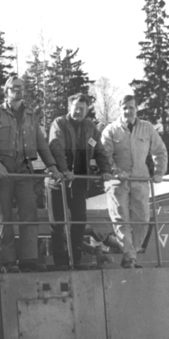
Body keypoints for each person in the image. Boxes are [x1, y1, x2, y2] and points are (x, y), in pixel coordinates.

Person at [0, 75, 62, 273]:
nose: (18, 90)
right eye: (13, 87)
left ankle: (28, 260)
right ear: (6, 91)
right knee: (4, 216)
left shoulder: (30, 115)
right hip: (3, 171)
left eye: (20, 87)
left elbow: (41, 143)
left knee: (30, 214)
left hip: (24, 170)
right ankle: (8, 262)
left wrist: (51, 165)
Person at [101, 95, 168, 268]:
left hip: (140, 180)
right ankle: (129, 256)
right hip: (117, 182)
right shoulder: (110, 130)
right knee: (120, 218)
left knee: (142, 219)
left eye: (131, 107)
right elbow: (105, 155)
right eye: (125, 107)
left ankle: (132, 254)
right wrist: (116, 171)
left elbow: (159, 150)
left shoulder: (147, 128)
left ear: (136, 108)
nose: (128, 111)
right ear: (119, 108)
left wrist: (159, 171)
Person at [47, 93, 112, 269]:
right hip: (58, 182)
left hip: (79, 183)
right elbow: (56, 147)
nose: (79, 112)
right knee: (58, 223)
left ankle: (75, 260)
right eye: (76, 108)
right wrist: (64, 170)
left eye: (83, 109)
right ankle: (60, 262)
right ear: (70, 107)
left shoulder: (91, 128)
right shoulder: (59, 124)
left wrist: (106, 170)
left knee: (79, 221)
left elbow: (99, 151)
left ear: (87, 110)